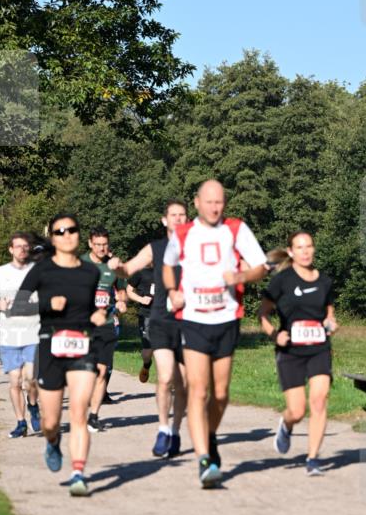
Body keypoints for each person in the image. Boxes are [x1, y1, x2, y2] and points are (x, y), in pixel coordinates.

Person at [162, 180, 268, 487]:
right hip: (193, 319)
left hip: (225, 319)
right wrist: (172, 290)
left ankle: (208, 434)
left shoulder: (235, 229)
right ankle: (204, 460)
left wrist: (241, 275)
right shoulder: (182, 233)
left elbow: (262, 266)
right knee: (199, 390)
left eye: (219, 201)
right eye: (209, 201)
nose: (215, 207)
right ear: (197, 202)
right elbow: (168, 266)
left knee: (220, 394)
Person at [11, 213, 106, 496]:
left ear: (79, 234)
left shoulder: (91, 272)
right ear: (53, 237)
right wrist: (46, 304)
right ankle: (52, 442)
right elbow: (16, 307)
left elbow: (90, 308)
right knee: (51, 422)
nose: (67, 235)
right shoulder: (42, 270)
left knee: (78, 413)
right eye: (60, 231)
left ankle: (78, 473)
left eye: (72, 230)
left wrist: (98, 315)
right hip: (51, 345)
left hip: (82, 344)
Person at [110, 199, 188, 458]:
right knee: (165, 378)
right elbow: (128, 269)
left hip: (190, 321)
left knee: (184, 382)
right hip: (161, 320)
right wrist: (117, 267)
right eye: (173, 215)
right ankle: (163, 429)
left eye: (182, 215)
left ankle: (176, 431)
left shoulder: (198, 247)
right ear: (164, 220)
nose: (178, 219)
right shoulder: (156, 248)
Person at [259, 232, 338, 475]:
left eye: (309, 246)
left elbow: (329, 314)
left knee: (319, 399)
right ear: (291, 252)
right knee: (297, 410)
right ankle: (287, 423)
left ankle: (313, 458)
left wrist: (331, 323)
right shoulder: (281, 281)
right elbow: (263, 314)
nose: (305, 251)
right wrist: (275, 335)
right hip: (290, 351)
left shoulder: (324, 281)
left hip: (318, 349)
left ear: (313, 249)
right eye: (300, 247)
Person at [0, 234, 41, 436]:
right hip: (9, 333)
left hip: (31, 331)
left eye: (25, 246)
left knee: (30, 380)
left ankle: (33, 406)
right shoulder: (0, 272)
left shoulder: (36, 271)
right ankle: (21, 422)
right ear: (10, 249)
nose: (21, 250)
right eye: (17, 246)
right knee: (15, 381)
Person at [81, 227, 126, 433]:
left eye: (104, 244)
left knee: (101, 372)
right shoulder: (80, 264)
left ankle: (94, 416)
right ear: (90, 243)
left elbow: (122, 291)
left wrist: (122, 302)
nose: (101, 248)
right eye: (97, 244)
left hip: (106, 324)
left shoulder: (114, 265)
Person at [127, 265, 155, 383]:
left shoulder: (168, 269)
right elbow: (129, 290)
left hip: (165, 315)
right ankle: (146, 365)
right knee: (148, 351)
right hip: (146, 315)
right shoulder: (140, 272)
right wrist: (141, 299)